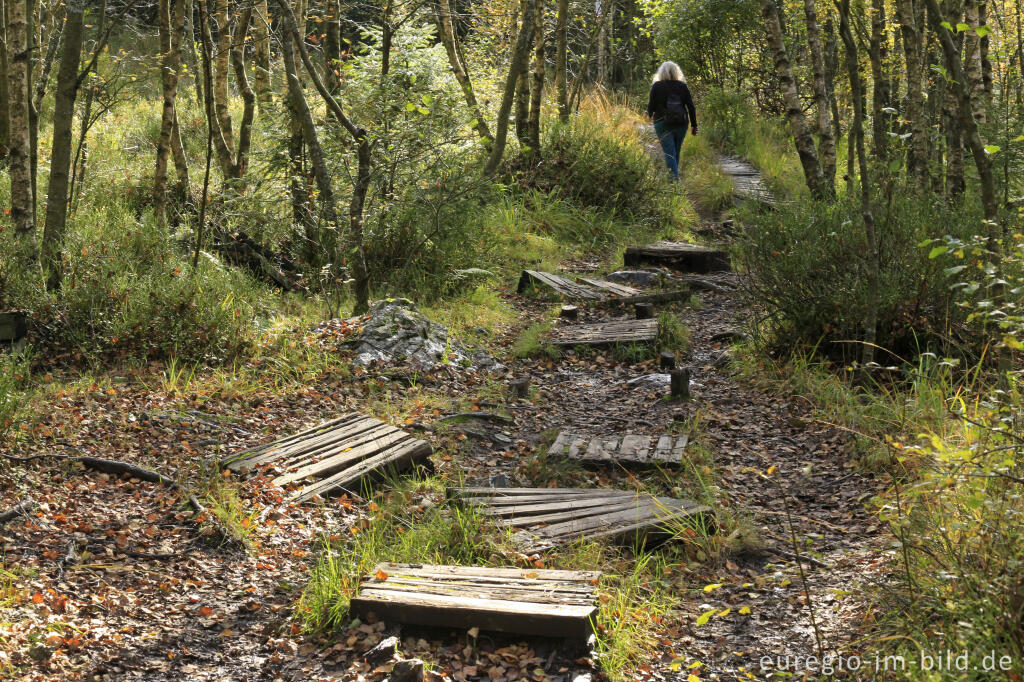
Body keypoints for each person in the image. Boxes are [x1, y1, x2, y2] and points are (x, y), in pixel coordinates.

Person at [646, 61, 697, 180]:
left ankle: (674, 183)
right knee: (676, 152)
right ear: (676, 72)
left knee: (669, 153)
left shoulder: (657, 86)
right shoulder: (682, 86)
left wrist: (648, 115)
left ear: (661, 72)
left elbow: (651, 106)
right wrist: (694, 125)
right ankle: (674, 179)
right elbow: (691, 106)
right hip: (681, 123)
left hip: (662, 123)